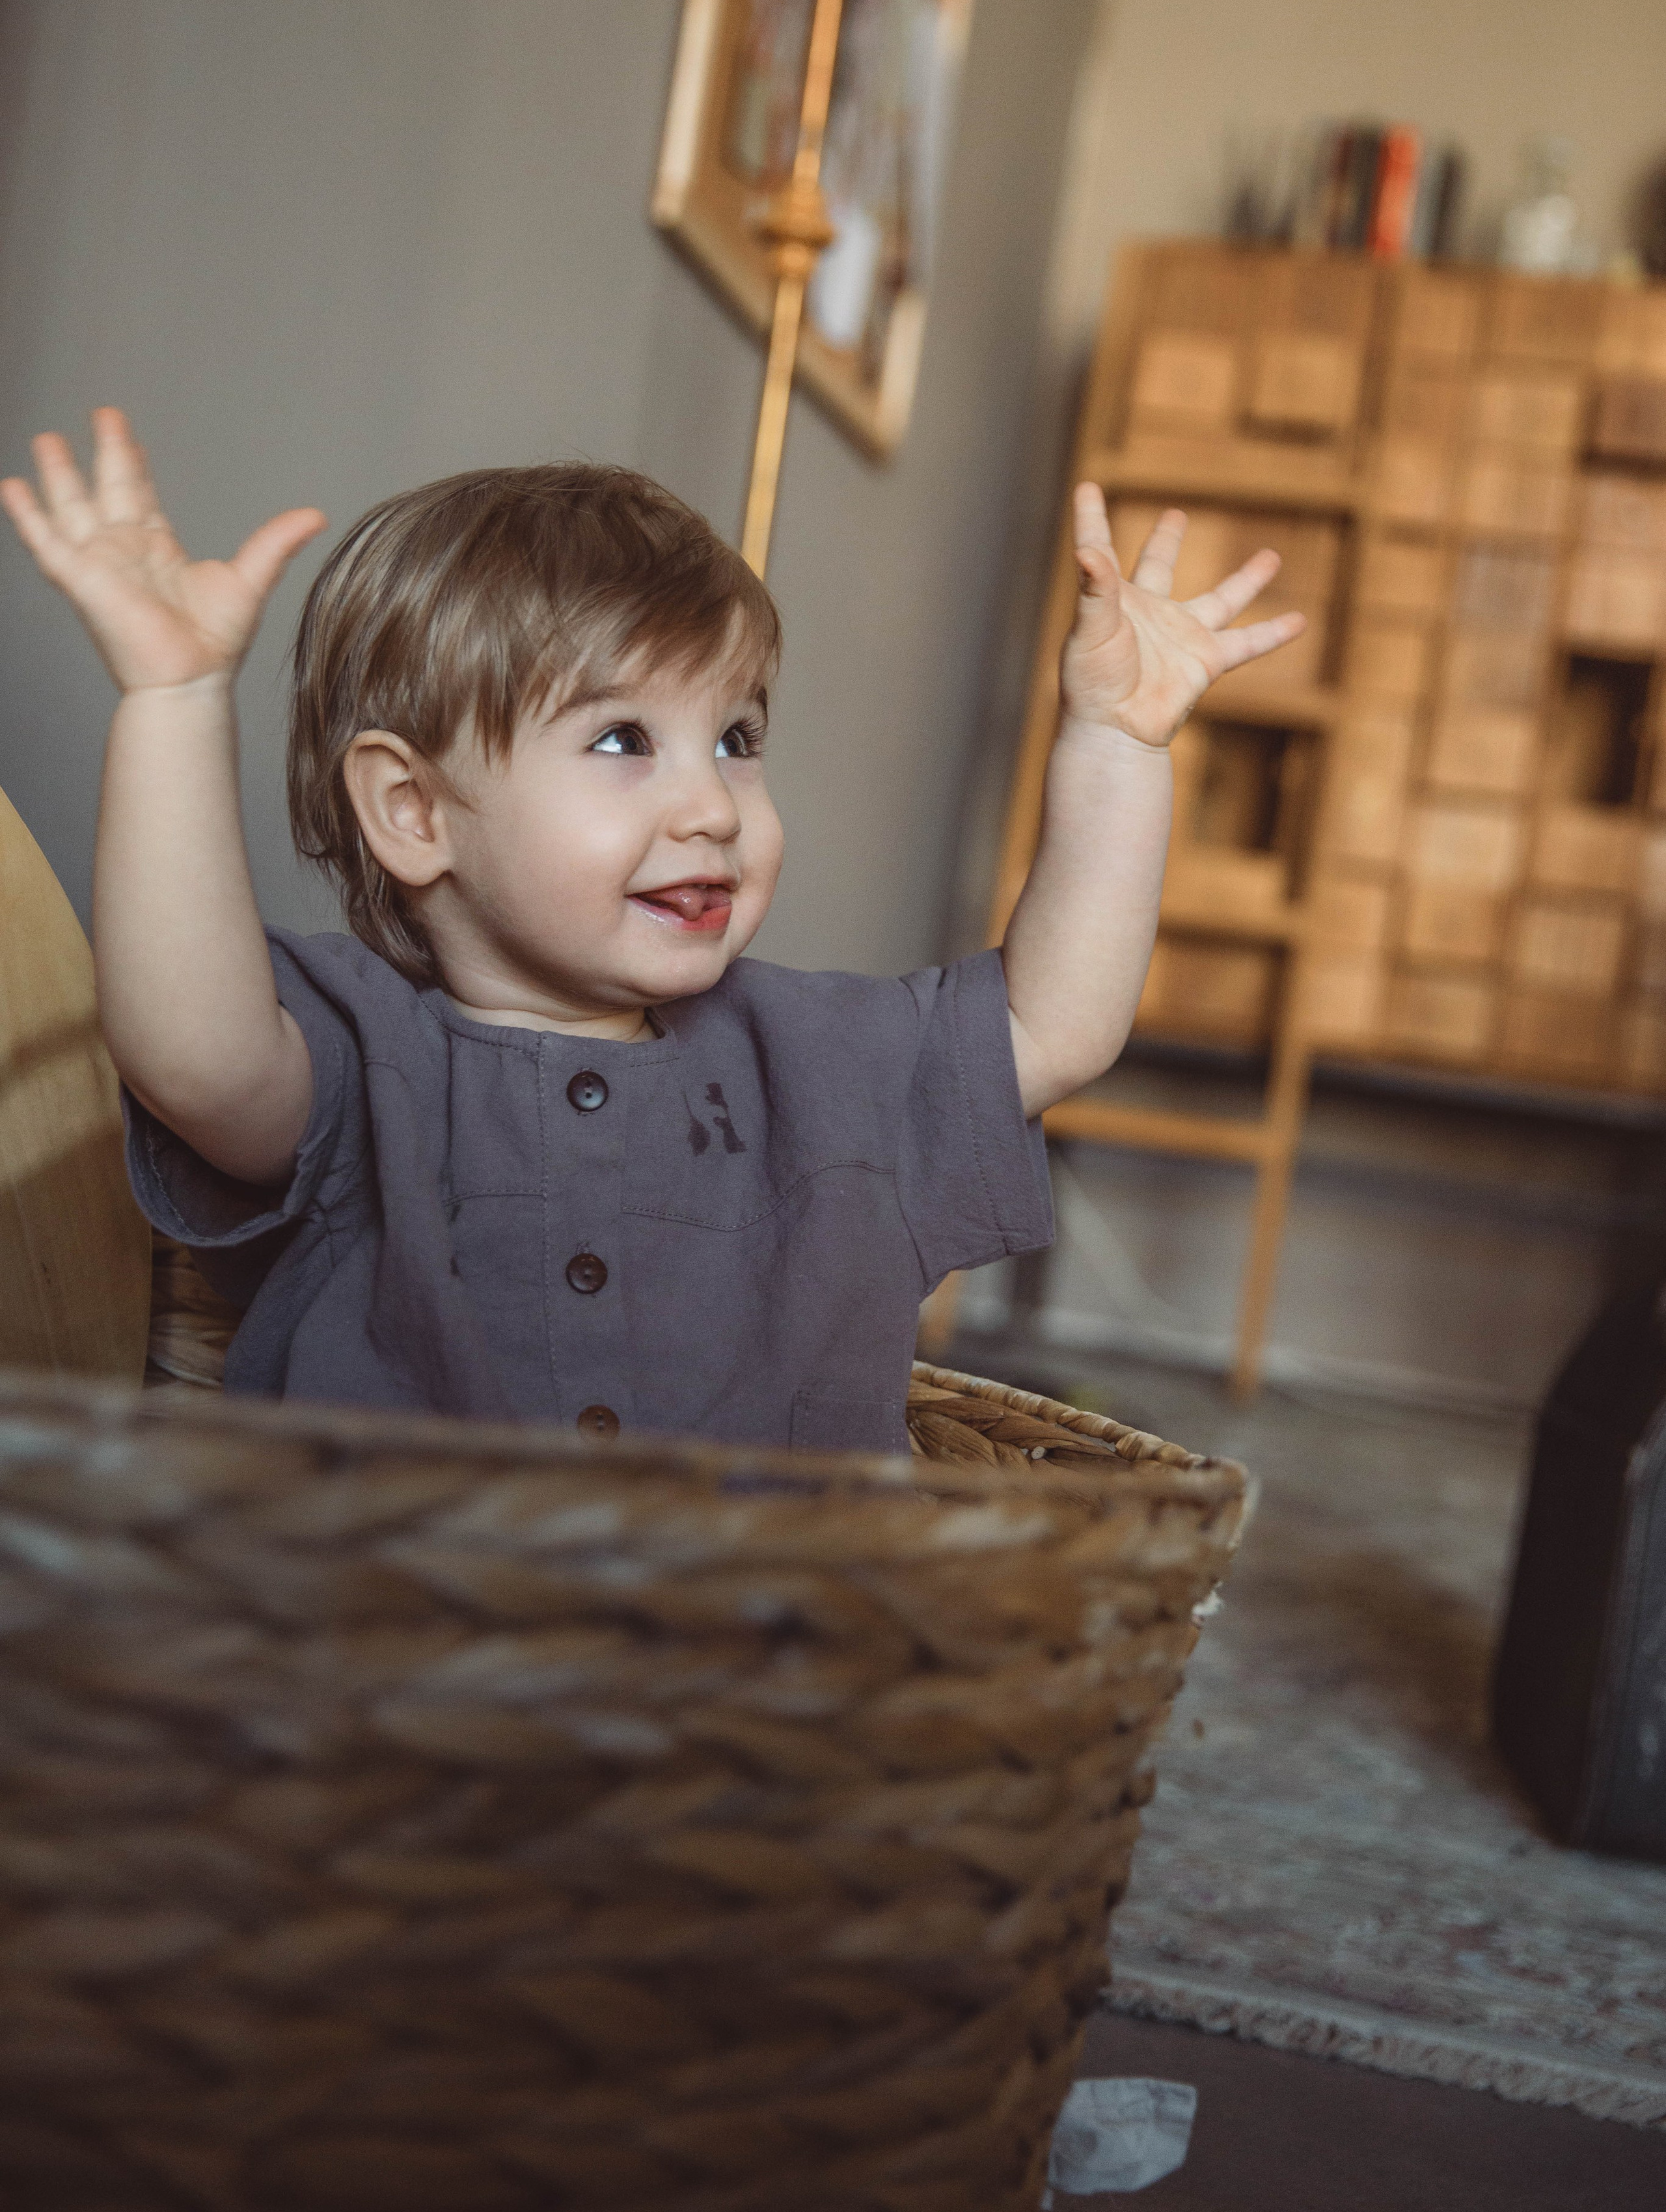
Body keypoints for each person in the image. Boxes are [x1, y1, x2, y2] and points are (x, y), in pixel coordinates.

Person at [1, 411, 1297, 1449]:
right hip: (396, 1683)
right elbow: (194, 1055)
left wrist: (1118, 746)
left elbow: (1051, 1024)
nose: (709, 806)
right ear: (412, 813)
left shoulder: (821, 1059)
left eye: (735, 740)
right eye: (623, 740)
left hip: (751, 1692)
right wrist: (173, 702)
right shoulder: (361, 1058)